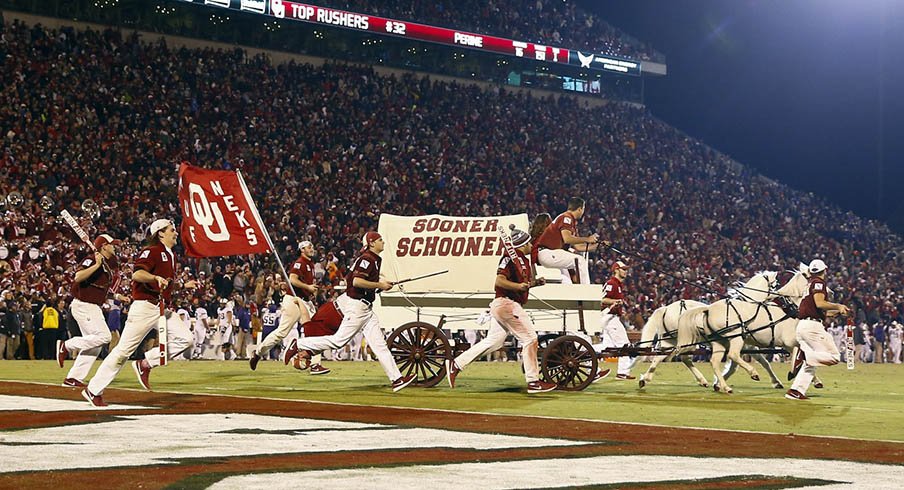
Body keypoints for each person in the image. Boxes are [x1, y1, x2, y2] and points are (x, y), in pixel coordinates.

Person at [82, 219, 197, 407]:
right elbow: (137, 274)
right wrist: (154, 277)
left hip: (161, 308)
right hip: (144, 307)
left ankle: (146, 363)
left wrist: (183, 285)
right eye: (171, 229)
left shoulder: (170, 255)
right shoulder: (151, 251)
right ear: (160, 233)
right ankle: (93, 389)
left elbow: (165, 283)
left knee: (186, 339)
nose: (176, 233)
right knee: (123, 351)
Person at [284, 232, 415, 392]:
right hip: (357, 307)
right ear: (372, 243)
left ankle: (397, 379)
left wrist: (377, 285)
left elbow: (351, 279)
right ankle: (299, 344)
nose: (383, 242)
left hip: (365, 308)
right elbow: (356, 281)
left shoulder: (370, 258)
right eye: (380, 240)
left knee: (379, 345)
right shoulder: (368, 258)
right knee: (338, 341)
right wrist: (379, 285)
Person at [445, 227, 558, 394]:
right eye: (529, 242)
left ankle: (456, 364)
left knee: (494, 341)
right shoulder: (509, 258)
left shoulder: (522, 261)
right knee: (530, 338)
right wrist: (519, 285)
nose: (531, 245)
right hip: (507, 303)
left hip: (505, 304)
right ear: (523, 243)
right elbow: (499, 281)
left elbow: (520, 285)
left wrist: (534, 283)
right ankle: (533, 382)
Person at [56, 234, 129, 388]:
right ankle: (66, 346)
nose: (114, 247)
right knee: (104, 337)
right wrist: (96, 265)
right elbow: (78, 277)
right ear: (104, 246)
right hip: (84, 305)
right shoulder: (92, 260)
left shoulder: (106, 264)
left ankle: (73, 378)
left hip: (91, 305)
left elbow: (99, 289)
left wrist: (116, 296)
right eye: (111, 244)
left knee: (94, 346)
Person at [249, 241, 322, 372]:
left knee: (315, 330)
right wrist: (308, 287)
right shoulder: (300, 262)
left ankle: (315, 364)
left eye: (312, 246)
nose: (312, 248)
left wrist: (310, 293)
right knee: (282, 332)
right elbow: (292, 279)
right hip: (294, 300)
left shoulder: (310, 263)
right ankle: (258, 353)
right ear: (302, 250)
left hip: (304, 300)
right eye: (309, 247)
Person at [786, 259, 850, 401]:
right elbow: (820, 303)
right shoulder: (818, 283)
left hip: (803, 325)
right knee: (834, 357)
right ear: (824, 270)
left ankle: (796, 391)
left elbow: (818, 310)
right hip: (812, 327)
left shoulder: (809, 285)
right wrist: (838, 305)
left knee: (813, 363)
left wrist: (837, 312)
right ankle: (806, 357)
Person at [534, 197, 600, 284]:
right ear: (580, 209)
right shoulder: (566, 217)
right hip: (548, 253)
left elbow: (578, 247)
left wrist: (597, 246)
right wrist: (588, 239)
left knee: (567, 282)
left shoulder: (571, 222)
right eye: (583, 209)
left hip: (554, 254)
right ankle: (586, 291)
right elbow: (567, 239)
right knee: (580, 260)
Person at [594, 260, 635, 379]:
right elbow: (602, 299)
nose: (626, 272)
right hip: (609, 318)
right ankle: (622, 372)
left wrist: (618, 309)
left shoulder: (617, 284)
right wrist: (615, 302)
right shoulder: (612, 283)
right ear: (616, 269)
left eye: (626, 269)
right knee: (624, 345)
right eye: (623, 269)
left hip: (611, 317)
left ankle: (586, 350)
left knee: (606, 346)